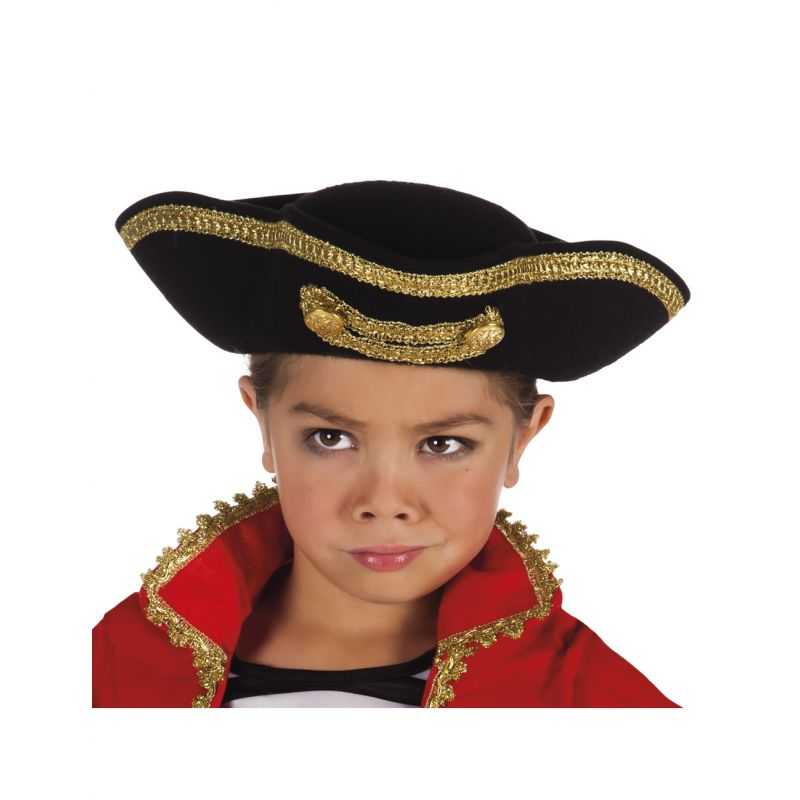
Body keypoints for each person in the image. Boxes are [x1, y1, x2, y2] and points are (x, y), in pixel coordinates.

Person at [92, 179, 690, 708]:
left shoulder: (589, 702)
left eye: (443, 445)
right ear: (263, 424)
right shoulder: (110, 671)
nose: (383, 502)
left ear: (523, 438)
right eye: (331, 438)